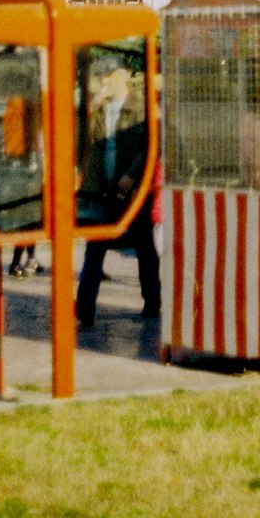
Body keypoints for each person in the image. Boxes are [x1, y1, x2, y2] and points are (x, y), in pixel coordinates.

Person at [75, 56, 160, 328]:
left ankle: (152, 300)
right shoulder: (97, 109)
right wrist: (88, 111)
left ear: (122, 75)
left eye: (108, 75)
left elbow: (151, 144)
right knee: (94, 247)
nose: (104, 81)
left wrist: (133, 174)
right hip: (101, 187)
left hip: (132, 190)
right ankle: (85, 308)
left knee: (144, 246)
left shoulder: (142, 107)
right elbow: (77, 144)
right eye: (101, 76)